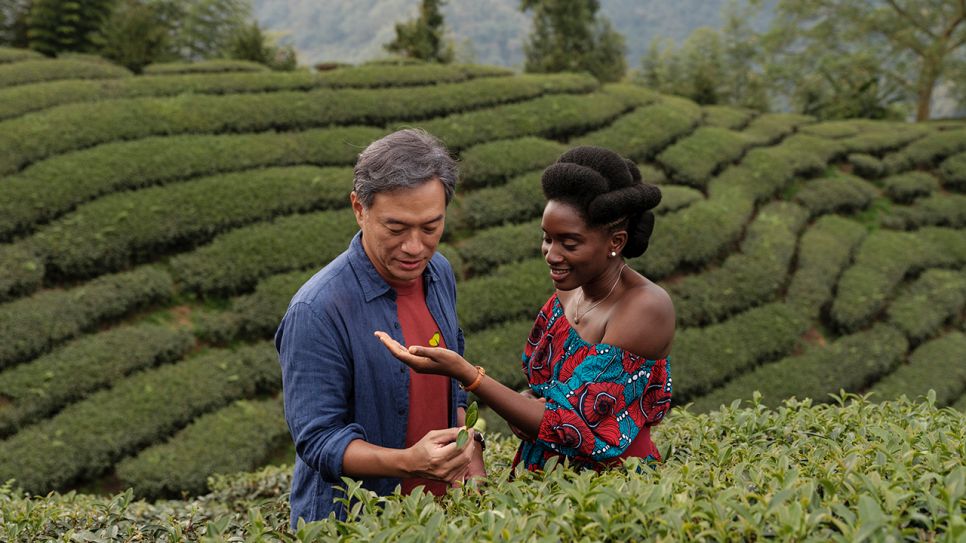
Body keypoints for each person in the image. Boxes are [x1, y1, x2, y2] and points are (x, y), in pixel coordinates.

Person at [377, 145, 673, 473]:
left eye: (569, 243)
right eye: (547, 238)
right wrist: (525, 402)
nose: (551, 253)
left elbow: (570, 424)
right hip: (544, 479)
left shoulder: (646, 308)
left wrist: (467, 374)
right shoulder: (571, 290)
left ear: (615, 243)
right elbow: (546, 390)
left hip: (607, 490)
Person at [275, 128, 483, 528]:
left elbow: (449, 375)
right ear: (359, 208)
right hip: (355, 522)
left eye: (430, 227)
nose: (414, 247)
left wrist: (465, 446)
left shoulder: (438, 273)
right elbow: (319, 440)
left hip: (437, 516)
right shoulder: (317, 310)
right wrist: (407, 463)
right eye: (396, 228)